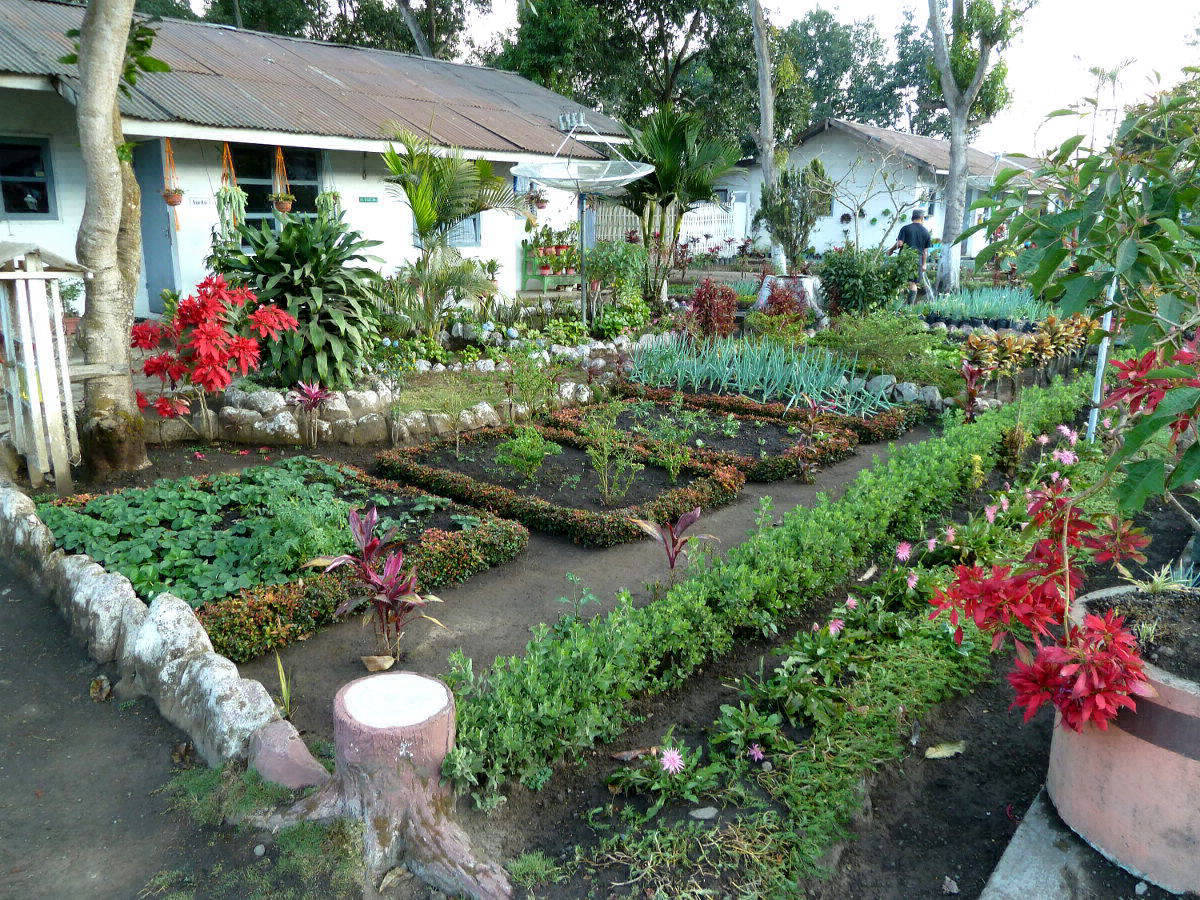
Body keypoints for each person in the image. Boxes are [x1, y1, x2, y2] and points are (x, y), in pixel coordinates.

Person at [889, 209, 934, 303]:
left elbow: (900, 243)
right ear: (922, 219)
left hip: (904, 259)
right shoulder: (926, 232)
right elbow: (925, 251)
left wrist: (891, 250)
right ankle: (909, 307)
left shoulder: (905, 228)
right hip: (918, 261)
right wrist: (924, 264)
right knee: (913, 284)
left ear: (912, 218)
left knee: (901, 282)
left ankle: (898, 304)